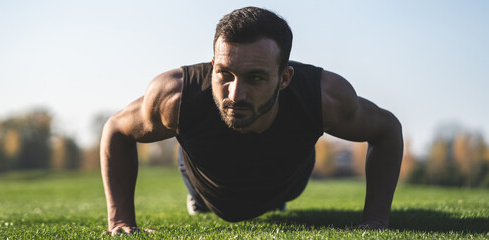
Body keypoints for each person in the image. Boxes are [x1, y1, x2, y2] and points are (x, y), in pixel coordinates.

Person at [100, 6, 403, 235]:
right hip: (204, 180)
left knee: (280, 187)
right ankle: (200, 200)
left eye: (255, 77)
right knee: (202, 180)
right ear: (213, 64)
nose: (236, 93)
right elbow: (116, 129)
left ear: (284, 78)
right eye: (225, 74)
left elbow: (387, 129)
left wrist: (375, 221)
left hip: (287, 179)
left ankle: (274, 198)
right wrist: (121, 220)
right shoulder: (175, 96)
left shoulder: (324, 97)